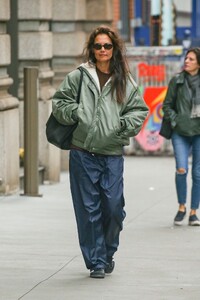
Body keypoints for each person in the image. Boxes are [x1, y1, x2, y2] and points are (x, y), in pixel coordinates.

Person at [52, 25, 149, 278]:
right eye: (98, 46)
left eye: (107, 45)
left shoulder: (124, 79)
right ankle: (96, 261)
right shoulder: (79, 76)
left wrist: (123, 126)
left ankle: (108, 251)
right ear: (92, 49)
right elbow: (59, 102)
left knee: (114, 207)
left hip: (112, 153)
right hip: (82, 152)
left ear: (114, 48)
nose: (103, 50)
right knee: (88, 209)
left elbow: (139, 110)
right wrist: (77, 113)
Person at [162, 47, 200, 226]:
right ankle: (182, 206)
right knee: (181, 169)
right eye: (186, 58)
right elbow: (167, 105)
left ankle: (193, 212)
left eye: (191, 59)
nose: (187, 61)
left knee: (198, 174)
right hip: (180, 132)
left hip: (199, 132)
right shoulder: (176, 80)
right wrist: (175, 121)